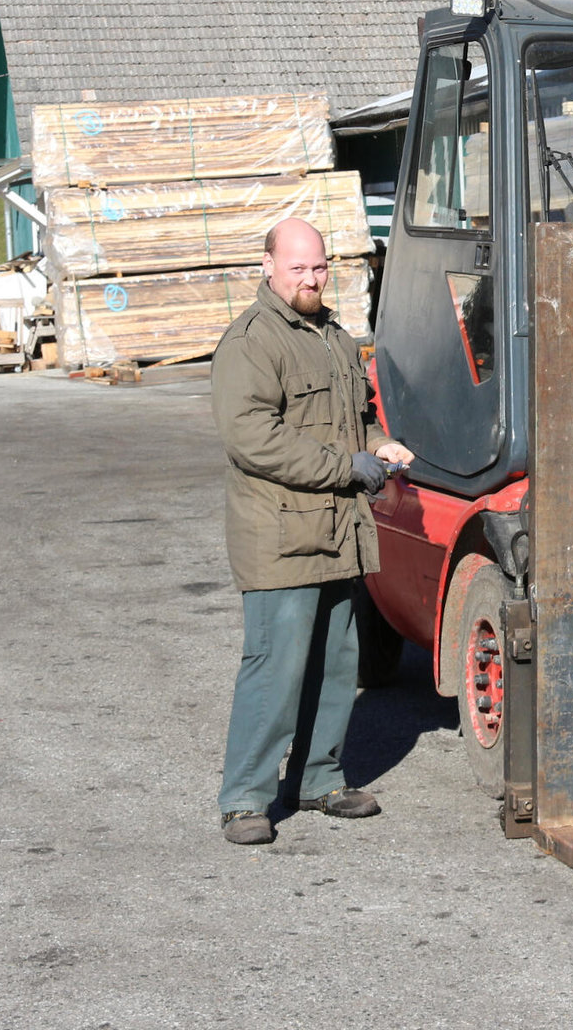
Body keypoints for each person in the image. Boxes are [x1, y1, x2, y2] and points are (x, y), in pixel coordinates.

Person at [210, 217, 414, 845]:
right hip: (280, 537)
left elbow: (359, 417)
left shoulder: (334, 334)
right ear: (267, 267)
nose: (310, 278)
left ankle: (319, 779)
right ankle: (245, 798)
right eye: (297, 267)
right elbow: (252, 438)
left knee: (334, 665)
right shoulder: (252, 341)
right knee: (275, 668)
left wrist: (381, 445)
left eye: (318, 266)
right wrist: (345, 468)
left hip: (336, 532)